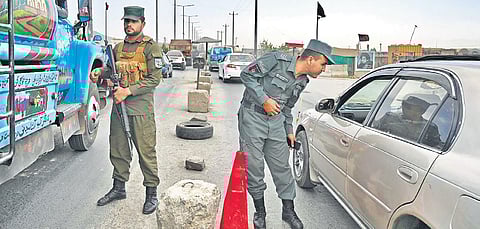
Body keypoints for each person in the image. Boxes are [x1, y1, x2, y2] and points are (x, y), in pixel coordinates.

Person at [238, 39, 335, 229]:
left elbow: (287, 107)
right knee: (255, 168)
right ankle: (260, 213)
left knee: (282, 168)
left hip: (276, 123)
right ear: (310, 60)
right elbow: (246, 75)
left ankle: (288, 211)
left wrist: (289, 131)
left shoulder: (302, 81)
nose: (323, 69)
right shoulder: (276, 60)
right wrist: (264, 99)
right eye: (323, 64)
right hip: (252, 118)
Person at [92, 6, 164, 215]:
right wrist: (99, 71)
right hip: (118, 108)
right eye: (126, 22)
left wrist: (128, 91)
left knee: (146, 152)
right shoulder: (118, 48)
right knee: (119, 149)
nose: (129, 25)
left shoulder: (151, 48)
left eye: (133, 21)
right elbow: (111, 70)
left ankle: (151, 194)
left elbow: (154, 79)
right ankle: (118, 188)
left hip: (141, 110)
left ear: (142, 23)